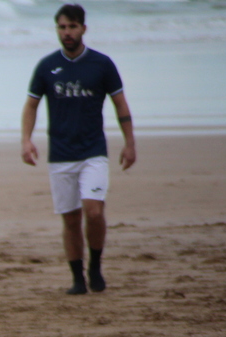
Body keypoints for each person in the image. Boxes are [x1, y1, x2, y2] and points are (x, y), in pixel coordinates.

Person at [21, 3, 136, 295]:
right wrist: (26, 139)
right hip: (60, 154)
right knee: (71, 219)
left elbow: (120, 104)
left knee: (93, 212)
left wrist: (129, 143)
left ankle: (95, 266)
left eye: (72, 27)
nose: (67, 32)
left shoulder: (101, 64)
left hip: (93, 151)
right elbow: (31, 105)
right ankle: (77, 279)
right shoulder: (46, 66)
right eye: (62, 27)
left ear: (83, 28)